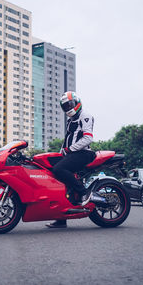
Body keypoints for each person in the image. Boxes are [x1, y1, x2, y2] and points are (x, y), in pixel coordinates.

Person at [46, 91, 96, 228]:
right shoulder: (70, 120)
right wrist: (59, 153)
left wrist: (70, 149)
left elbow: (88, 138)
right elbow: (67, 139)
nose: (69, 108)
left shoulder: (85, 116)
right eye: (66, 106)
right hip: (71, 154)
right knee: (49, 170)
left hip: (84, 153)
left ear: (77, 102)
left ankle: (83, 192)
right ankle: (61, 218)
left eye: (70, 104)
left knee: (59, 169)